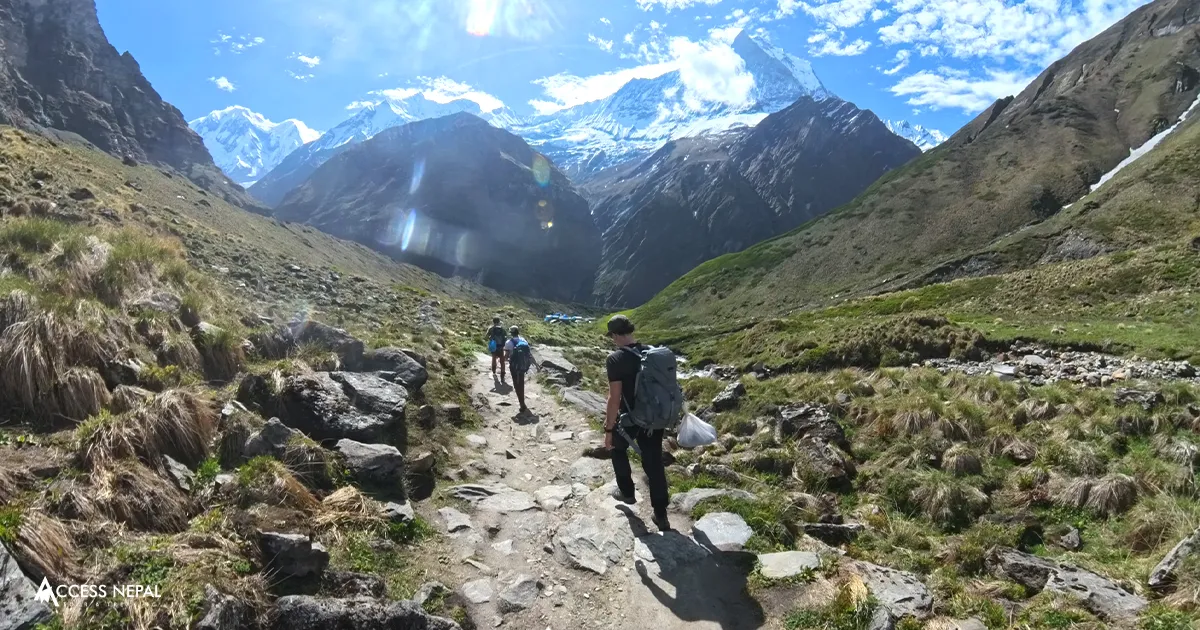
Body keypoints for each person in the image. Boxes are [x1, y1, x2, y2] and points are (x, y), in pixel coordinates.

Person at [603, 314, 670, 531]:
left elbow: (614, 398)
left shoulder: (615, 359)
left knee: (617, 448)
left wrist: (608, 428)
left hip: (631, 419)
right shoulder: (652, 352)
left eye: (612, 336)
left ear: (614, 335)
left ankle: (627, 493)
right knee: (654, 465)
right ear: (631, 331)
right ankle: (661, 515)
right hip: (655, 418)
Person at [504, 325, 533, 414]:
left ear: (511, 333)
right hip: (522, 365)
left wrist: (505, 358)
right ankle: (522, 401)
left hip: (514, 366)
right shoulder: (523, 340)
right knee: (521, 382)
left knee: (516, 384)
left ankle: (521, 403)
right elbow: (529, 354)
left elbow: (506, 357)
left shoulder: (509, 342)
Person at [486, 316, 507, 382]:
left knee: (494, 358)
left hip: (494, 346)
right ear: (499, 322)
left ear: (493, 322)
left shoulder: (491, 328)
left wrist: (490, 339)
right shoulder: (502, 329)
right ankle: (502, 376)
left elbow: (486, 336)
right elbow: (506, 337)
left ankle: (494, 371)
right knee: (502, 361)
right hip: (501, 346)